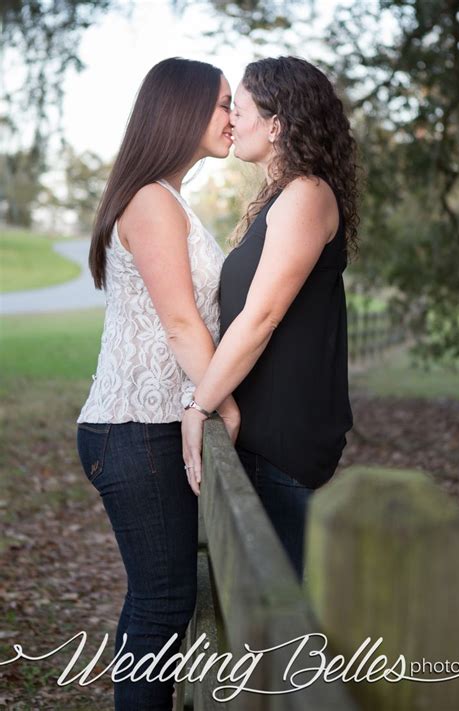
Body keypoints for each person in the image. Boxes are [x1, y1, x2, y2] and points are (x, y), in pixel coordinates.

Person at [76, 57, 240, 711]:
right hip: (134, 429)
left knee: (157, 601)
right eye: (225, 103)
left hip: (147, 430)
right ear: (184, 109)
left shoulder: (168, 198)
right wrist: (228, 407)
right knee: (163, 605)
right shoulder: (150, 199)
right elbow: (179, 322)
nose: (236, 116)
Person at [182, 56, 359, 583]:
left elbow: (260, 318)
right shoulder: (284, 198)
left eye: (238, 106)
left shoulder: (306, 195)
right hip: (261, 433)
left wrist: (200, 405)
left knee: (274, 618)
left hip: (280, 439)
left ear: (276, 124)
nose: (230, 119)